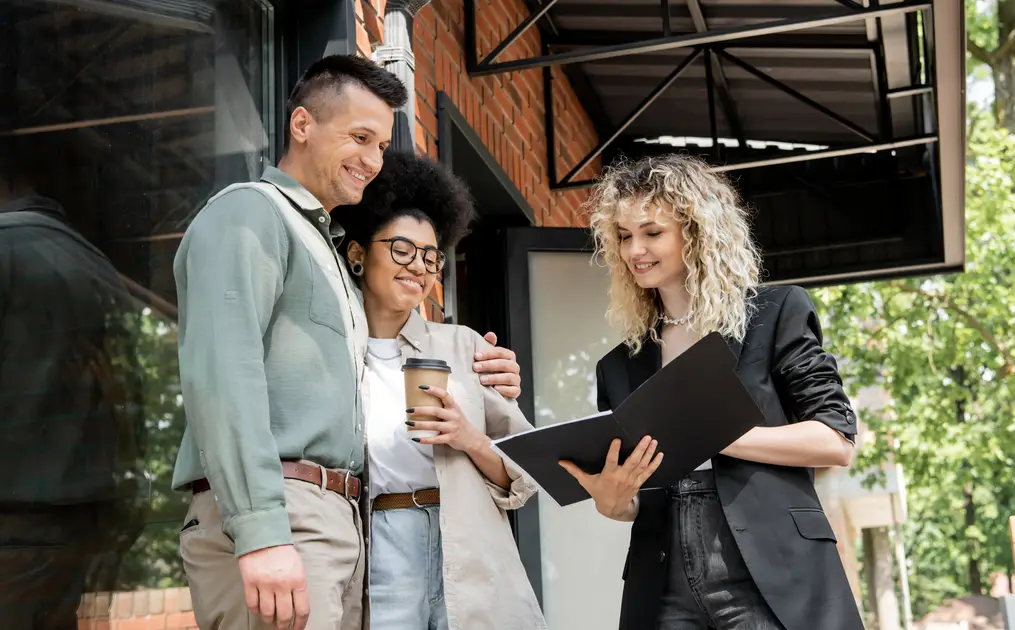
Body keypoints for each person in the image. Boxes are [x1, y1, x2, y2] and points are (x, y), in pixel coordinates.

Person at [171, 55, 525, 630]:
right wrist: (261, 532)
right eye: (359, 137)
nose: (372, 161)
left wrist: (481, 373)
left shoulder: (327, 250)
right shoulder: (250, 213)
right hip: (284, 510)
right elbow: (223, 377)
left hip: (338, 522)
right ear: (303, 125)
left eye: (381, 146)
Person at [559, 154, 865, 630]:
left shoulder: (775, 314)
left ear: (696, 232)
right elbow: (635, 501)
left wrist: (712, 435)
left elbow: (835, 441)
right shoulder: (618, 367)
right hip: (665, 586)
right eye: (623, 236)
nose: (634, 249)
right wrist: (612, 499)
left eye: (652, 232)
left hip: (770, 572)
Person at [338, 148, 545, 630]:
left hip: (467, 536)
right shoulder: (333, 354)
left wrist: (468, 436)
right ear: (357, 253)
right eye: (402, 250)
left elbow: (527, 468)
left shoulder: (464, 346)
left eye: (431, 258)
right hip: (380, 538)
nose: (419, 267)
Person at [0, 162, 146, 630]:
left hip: (14, 519)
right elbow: (127, 395)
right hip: (77, 516)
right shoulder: (95, 265)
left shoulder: (8, 248)